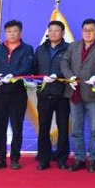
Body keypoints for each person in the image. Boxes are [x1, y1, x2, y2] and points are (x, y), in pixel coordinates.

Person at [61, 18, 95, 173]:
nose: (88, 33)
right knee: (76, 129)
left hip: (93, 94)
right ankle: (79, 158)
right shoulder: (73, 46)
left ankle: (93, 159)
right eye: (85, 30)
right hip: (75, 92)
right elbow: (64, 63)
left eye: (91, 30)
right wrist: (69, 76)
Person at [0, 19, 34, 171]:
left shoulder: (27, 49)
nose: (11, 34)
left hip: (18, 94)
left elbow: (27, 67)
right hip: (0, 94)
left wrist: (13, 75)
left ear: (20, 32)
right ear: (5, 33)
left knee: (17, 127)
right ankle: (0, 159)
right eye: (8, 32)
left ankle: (14, 158)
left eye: (14, 31)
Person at [34, 20, 70, 170]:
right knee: (43, 127)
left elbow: (71, 69)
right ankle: (44, 158)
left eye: (57, 30)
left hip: (62, 94)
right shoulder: (40, 49)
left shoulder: (69, 49)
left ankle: (62, 159)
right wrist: (37, 79)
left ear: (63, 33)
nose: (53, 33)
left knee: (63, 127)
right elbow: (34, 70)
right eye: (51, 30)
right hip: (44, 94)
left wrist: (58, 75)